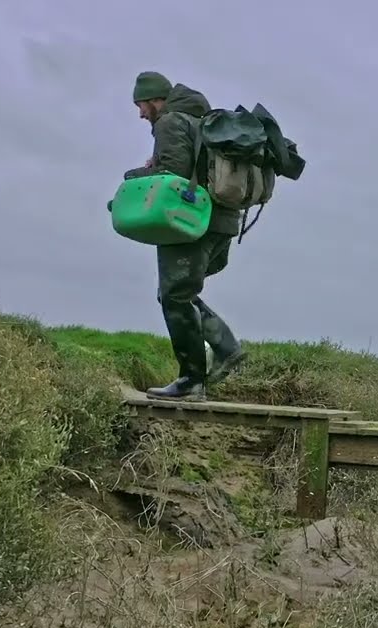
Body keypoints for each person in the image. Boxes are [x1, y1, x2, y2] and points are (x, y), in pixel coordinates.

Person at [123, 71, 247, 401]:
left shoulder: (170, 122)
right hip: (223, 223)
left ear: (154, 100)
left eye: (141, 105)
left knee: (175, 296)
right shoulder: (201, 121)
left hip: (192, 223)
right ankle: (227, 350)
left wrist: (135, 173)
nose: (140, 114)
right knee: (177, 293)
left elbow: (173, 175)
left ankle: (192, 380)